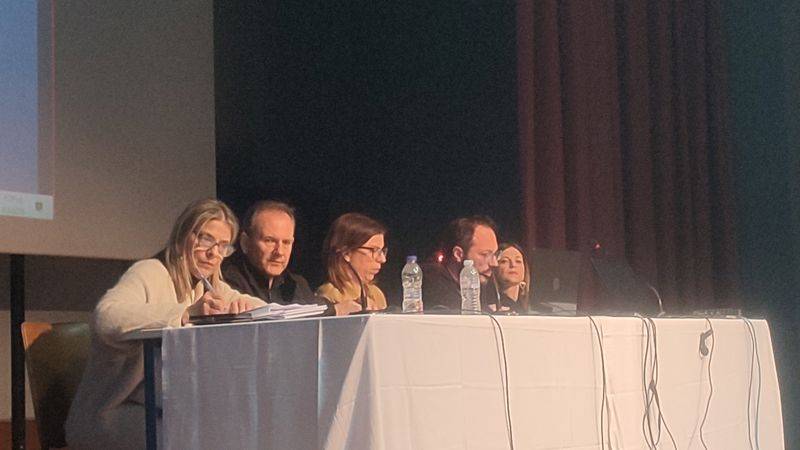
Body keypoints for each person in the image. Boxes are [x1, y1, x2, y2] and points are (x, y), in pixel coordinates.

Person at [65, 199, 265, 450]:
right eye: (206, 239)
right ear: (183, 236)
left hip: (164, 409)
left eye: (223, 246)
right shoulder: (150, 272)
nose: (214, 253)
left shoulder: (208, 286)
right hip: (110, 412)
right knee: (193, 440)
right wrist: (185, 314)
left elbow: (251, 303)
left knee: (232, 429)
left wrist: (248, 307)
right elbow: (106, 316)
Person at [222, 200, 317, 304]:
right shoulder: (225, 282)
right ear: (245, 242)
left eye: (286, 242)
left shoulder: (298, 285)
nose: (279, 252)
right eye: (269, 241)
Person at [421, 216, 501, 310]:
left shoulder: (477, 287)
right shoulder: (431, 283)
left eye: (495, 255)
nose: (495, 264)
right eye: (485, 254)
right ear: (458, 254)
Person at [317, 213, 388, 315]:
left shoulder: (376, 294)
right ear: (346, 253)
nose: (382, 259)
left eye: (382, 251)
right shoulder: (328, 296)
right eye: (373, 250)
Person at [494, 242, 531, 313]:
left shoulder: (533, 306)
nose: (513, 265)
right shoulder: (490, 307)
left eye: (518, 261)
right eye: (504, 261)